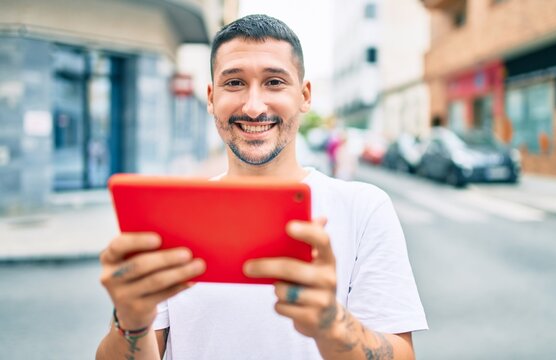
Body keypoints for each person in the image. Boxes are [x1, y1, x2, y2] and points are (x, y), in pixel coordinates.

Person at [96, 14, 427, 360]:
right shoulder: (171, 215)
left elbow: (401, 352)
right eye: (235, 83)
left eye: (274, 82)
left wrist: (332, 324)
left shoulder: (363, 208)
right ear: (211, 97)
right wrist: (130, 321)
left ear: (305, 95)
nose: (254, 107)